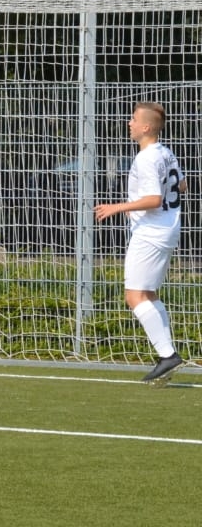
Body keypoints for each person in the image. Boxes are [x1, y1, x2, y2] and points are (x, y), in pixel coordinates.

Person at [94, 101, 188, 385]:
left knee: (134, 296)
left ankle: (167, 355)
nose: (130, 123)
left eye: (134, 119)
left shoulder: (146, 158)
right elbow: (182, 185)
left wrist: (117, 207)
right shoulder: (165, 153)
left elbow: (154, 200)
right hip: (167, 228)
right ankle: (167, 356)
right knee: (149, 294)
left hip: (150, 233)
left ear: (146, 127)